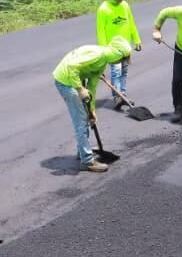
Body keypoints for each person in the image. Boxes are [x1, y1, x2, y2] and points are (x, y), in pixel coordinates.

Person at [52, 36, 133, 173]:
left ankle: (82, 152)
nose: (120, 62)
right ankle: (87, 161)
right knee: (81, 121)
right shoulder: (98, 55)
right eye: (121, 58)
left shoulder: (102, 62)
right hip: (66, 82)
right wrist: (79, 89)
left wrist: (92, 110)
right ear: (117, 53)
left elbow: (92, 87)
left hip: (74, 80)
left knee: (86, 117)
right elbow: (71, 67)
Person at [96, 0, 142, 109]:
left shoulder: (125, 5)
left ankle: (122, 94)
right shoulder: (103, 9)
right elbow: (100, 32)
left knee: (124, 71)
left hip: (126, 47)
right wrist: (104, 50)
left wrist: (137, 39)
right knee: (116, 72)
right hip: (112, 48)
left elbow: (131, 23)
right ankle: (117, 97)